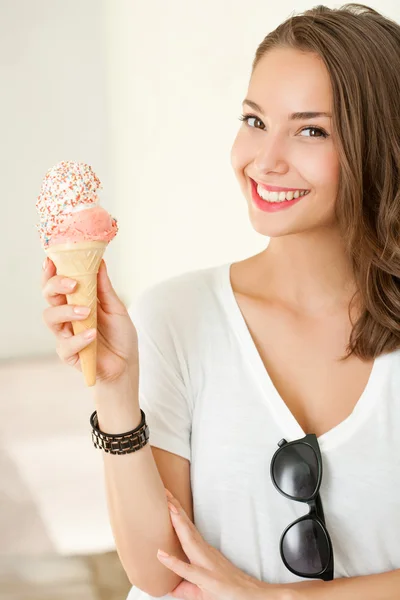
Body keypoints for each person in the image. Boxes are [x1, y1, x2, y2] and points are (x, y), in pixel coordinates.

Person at [41, 3, 400, 599]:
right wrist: (114, 391)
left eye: (311, 130)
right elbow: (158, 573)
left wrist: (276, 598)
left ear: (381, 145)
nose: (264, 159)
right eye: (255, 121)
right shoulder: (176, 316)